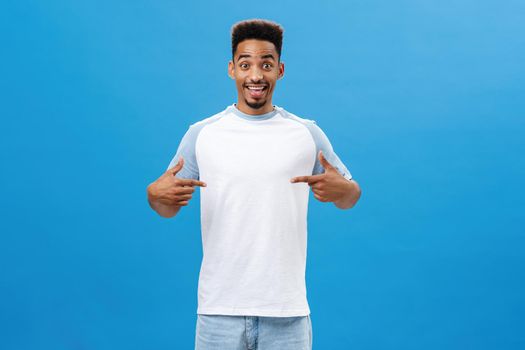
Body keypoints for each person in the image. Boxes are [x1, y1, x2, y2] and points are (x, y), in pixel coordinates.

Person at [146, 18, 362, 350]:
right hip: (219, 311)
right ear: (232, 69)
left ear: (280, 70)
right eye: (246, 64)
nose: (256, 75)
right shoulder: (202, 134)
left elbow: (349, 195)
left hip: (286, 312)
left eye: (266, 64)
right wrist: (153, 195)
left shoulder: (307, 133)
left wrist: (343, 190)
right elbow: (166, 206)